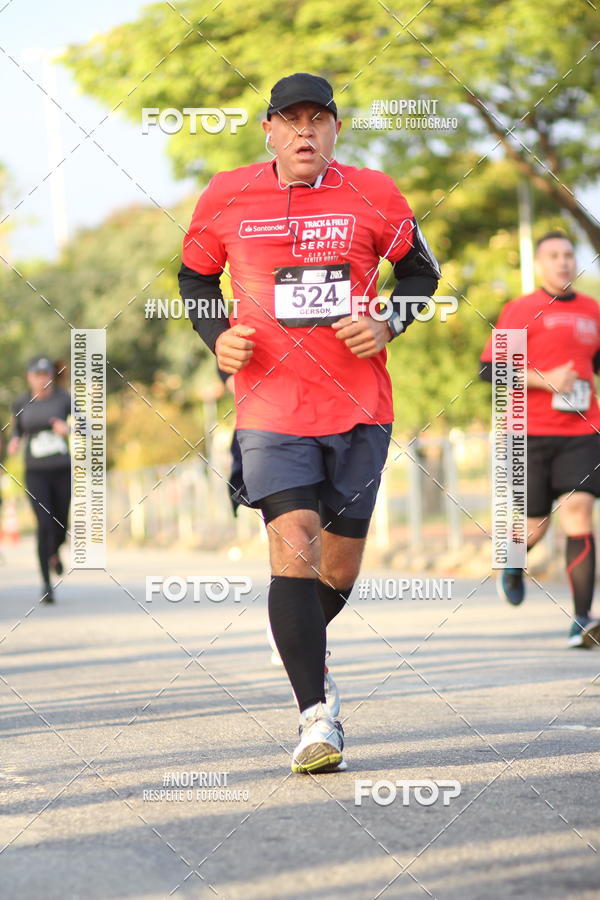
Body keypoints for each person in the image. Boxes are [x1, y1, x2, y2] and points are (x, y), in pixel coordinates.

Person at [179, 73, 440, 773]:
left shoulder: (376, 193)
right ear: (268, 130)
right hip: (271, 408)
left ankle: (297, 633)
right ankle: (316, 717)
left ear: (336, 129)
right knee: (292, 546)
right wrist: (217, 338)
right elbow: (195, 279)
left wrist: (389, 322)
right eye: (290, 120)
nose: (304, 131)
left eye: (317, 119)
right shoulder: (227, 194)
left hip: (360, 409)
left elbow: (421, 274)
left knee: (339, 567)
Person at [480, 232, 600, 648]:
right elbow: (489, 370)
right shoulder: (522, 309)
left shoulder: (592, 310)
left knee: (578, 512)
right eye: (554, 256)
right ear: (539, 263)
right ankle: (512, 562)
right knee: (536, 524)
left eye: (568, 255)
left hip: (582, 430)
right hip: (528, 432)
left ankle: (582, 620)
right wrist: (544, 379)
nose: (563, 262)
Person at [8, 356, 71, 604]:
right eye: (37, 375)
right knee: (44, 524)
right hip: (36, 472)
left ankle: (54, 551)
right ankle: (46, 583)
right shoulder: (21, 402)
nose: (42, 380)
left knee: (60, 524)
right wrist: (14, 441)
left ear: (51, 377)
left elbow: (87, 426)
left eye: (46, 375)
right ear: (29, 377)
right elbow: (17, 430)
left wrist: (68, 429)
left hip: (61, 469)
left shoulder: (64, 398)